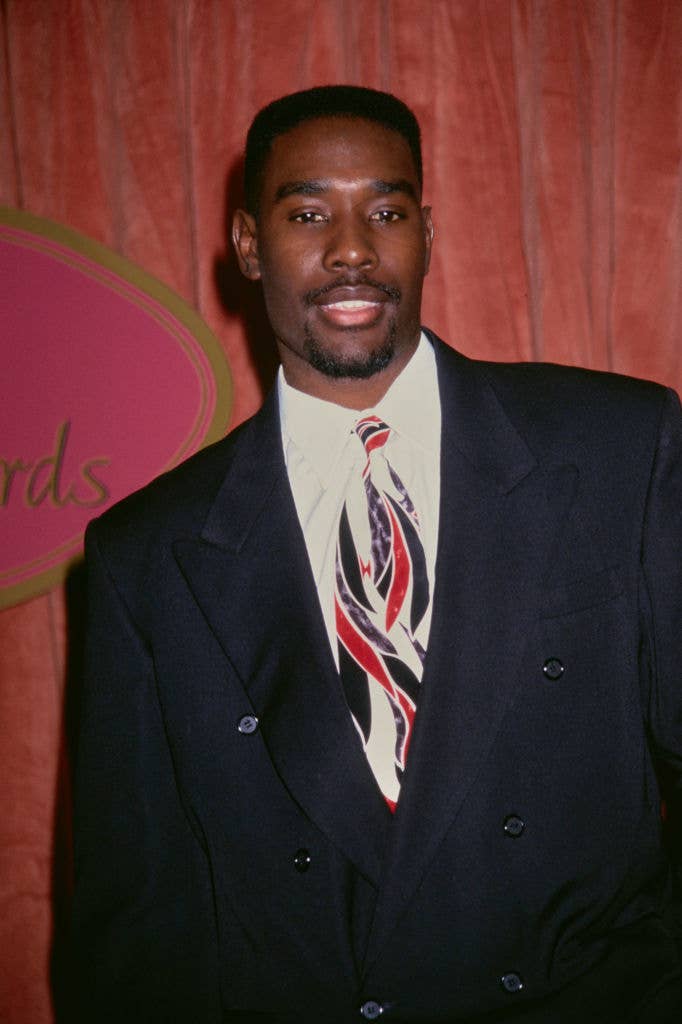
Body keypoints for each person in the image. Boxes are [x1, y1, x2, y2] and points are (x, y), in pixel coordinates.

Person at [72, 85, 682, 1023]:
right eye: (309, 212)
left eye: (386, 211)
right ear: (246, 245)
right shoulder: (146, 557)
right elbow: (140, 922)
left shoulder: (617, 447)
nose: (352, 247)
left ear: (428, 233)